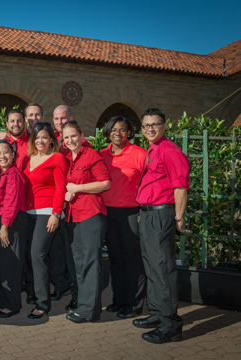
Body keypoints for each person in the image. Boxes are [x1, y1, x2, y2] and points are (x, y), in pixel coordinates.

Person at [133, 108, 189, 344]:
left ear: (165, 125)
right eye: (146, 126)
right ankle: (156, 313)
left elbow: (181, 187)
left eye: (155, 125)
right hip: (147, 215)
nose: (150, 129)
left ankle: (170, 324)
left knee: (162, 269)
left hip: (160, 215)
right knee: (152, 266)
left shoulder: (169, 150)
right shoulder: (152, 149)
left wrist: (178, 217)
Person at [62, 122, 110, 323]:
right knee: (79, 263)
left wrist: (78, 188)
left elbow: (105, 183)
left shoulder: (92, 155)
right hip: (73, 216)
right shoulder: (67, 159)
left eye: (73, 136)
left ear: (82, 135)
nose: (70, 140)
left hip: (91, 214)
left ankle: (89, 311)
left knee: (90, 262)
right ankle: (85, 306)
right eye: (66, 138)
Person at [100, 116, 147, 319]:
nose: (117, 134)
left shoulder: (139, 154)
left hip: (130, 212)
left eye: (122, 130)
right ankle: (118, 299)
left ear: (129, 132)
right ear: (108, 133)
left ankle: (134, 303)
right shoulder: (102, 155)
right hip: (108, 212)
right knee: (115, 258)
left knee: (132, 258)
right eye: (113, 130)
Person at [22, 122, 68, 319]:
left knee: (37, 255)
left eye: (44, 137)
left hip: (47, 212)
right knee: (31, 256)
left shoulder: (57, 158)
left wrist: (56, 213)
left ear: (51, 140)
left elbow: (61, 187)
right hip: (28, 213)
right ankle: (37, 292)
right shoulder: (26, 159)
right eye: (37, 137)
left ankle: (43, 303)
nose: (40, 140)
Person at [0, 140, 28, 318]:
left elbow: (11, 203)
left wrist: (4, 226)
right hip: (0, 221)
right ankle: (5, 299)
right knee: (1, 262)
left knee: (10, 263)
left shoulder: (13, 174)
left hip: (11, 222)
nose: (2, 156)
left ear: (13, 155)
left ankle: (12, 305)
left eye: (6, 152)